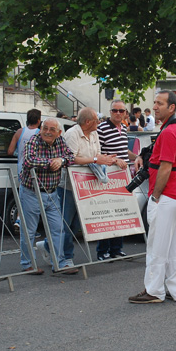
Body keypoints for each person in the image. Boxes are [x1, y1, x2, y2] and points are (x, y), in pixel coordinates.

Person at [128, 90, 176, 303]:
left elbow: (165, 167)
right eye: (154, 103)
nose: (154, 107)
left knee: (157, 245)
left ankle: (154, 291)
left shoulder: (170, 131)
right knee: (174, 245)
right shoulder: (175, 128)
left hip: (168, 194)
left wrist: (155, 195)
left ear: (171, 107)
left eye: (159, 103)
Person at [54, 107, 116, 273]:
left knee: (75, 224)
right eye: (96, 120)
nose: (99, 123)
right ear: (88, 122)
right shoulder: (72, 134)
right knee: (66, 224)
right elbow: (71, 159)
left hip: (86, 185)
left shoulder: (94, 134)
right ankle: (65, 258)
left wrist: (105, 160)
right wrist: (96, 159)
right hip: (68, 186)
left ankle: (48, 246)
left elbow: (97, 154)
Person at [19, 118, 75, 274]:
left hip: (52, 192)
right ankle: (27, 264)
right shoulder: (33, 141)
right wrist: (52, 162)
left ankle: (59, 263)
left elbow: (71, 157)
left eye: (52, 129)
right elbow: (29, 160)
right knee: (29, 230)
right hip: (31, 192)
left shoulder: (61, 142)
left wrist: (61, 160)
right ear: (41, 128)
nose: (48, 132)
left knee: (58, 229)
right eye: (45, 128)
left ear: (59, 133)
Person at [96, 100, 136, 260]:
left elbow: (124, 150)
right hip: (109, 176)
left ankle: (116, 248)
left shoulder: (124, 128)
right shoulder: (101, 128)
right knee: (108, 213)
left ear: (125, 113)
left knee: (121, 212)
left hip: (122, 177)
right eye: (115, 111)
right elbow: (97, 153)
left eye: (121, 111)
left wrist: (137, 156)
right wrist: (115, 161)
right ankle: (102, 250)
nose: (118, 113)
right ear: (110, 111)